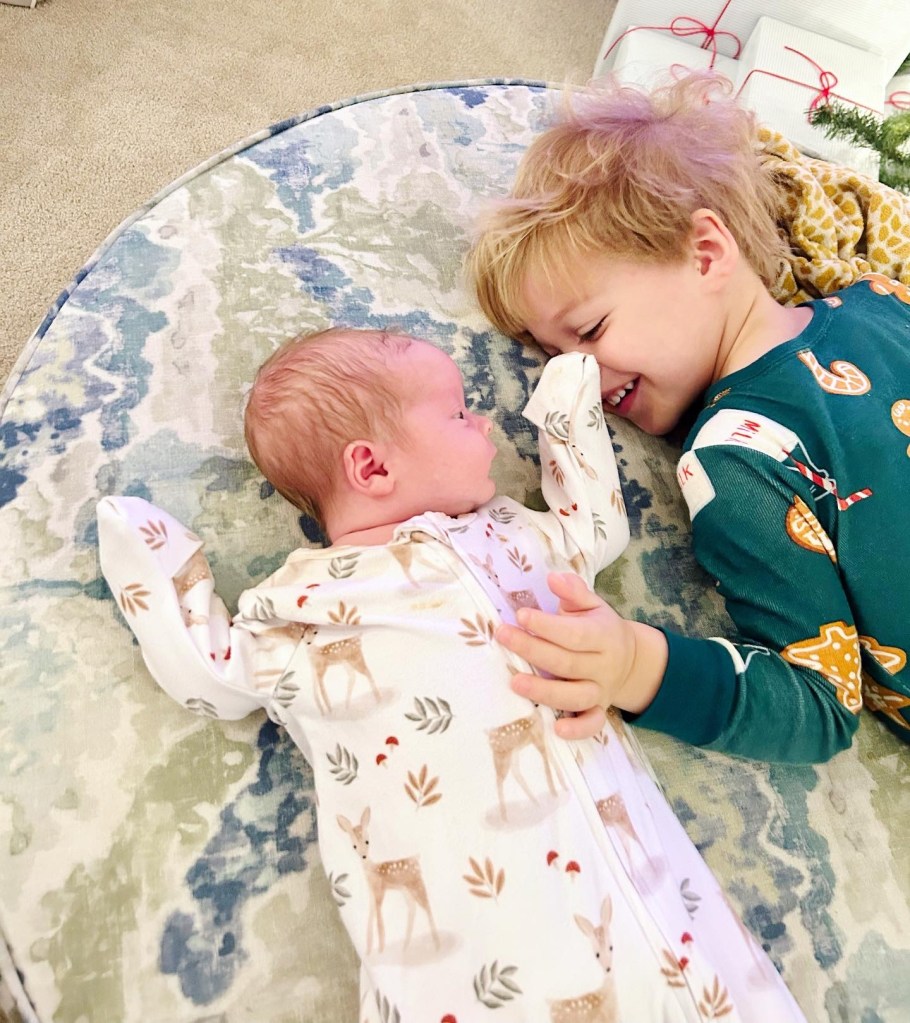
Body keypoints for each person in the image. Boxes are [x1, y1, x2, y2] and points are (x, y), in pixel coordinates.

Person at [97, 327, 806, 1022]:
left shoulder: (515, 533)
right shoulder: (300, 606)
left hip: (668, 915)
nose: (486, 426)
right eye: (460, 413)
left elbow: (595, 526)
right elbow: (212, 675)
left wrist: (565, 411)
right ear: (372, 468)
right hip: (480, 947)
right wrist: (156, 559)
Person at [467, 70, 910, 764]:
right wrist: (636, 663)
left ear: (706, 253)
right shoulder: (869, 309)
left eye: (591, 331)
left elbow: (819, 703)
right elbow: (820, 692)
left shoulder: (741, 444)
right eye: (554, 357)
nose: (578, 375)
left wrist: (637, 669)